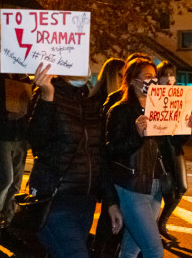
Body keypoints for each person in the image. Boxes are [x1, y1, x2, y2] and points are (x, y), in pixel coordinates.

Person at [27, 63, 123, 258]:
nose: (83, 66)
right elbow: (36, 141)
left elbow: (98, 155)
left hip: (85, 202)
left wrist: (111, 202)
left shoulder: (91, 103)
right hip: (54, 199)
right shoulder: (48, 95)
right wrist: (47, 96)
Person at [106, 58, 192, 258]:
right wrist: (136, 136)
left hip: (155, 186)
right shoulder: (120, 110)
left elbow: (172, 143)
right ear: (132, 80)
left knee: (131, 249)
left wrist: (186, 129)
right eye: (148, 77)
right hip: (133, 186)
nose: (153, 81)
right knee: (154, 250)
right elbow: (111, 150)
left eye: (155, 77)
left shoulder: (159, 107)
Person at [0, 66, 30, 237]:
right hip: (3, 135)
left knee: (16, 183)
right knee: (6, 179)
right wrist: (6, 116)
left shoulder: (24, 77)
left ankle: (8, 219)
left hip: (20, 136)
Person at [90, 57, 126, 258]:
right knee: (108, 212)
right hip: (100, 166)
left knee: (110, 213)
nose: (123, 79)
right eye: (120, 75)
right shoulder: (102, 102)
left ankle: (102, 249)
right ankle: (99, 249)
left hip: (113, 166)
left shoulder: (122, 101)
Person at [155, 61, 192, 242]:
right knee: (163, 191)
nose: (169, 79)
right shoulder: (152, 98)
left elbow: (180, 135)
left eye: (172, 75)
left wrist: (189, 129)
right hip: (159, 151)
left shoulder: (180, 98)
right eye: (165, 75)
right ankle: (155, 229)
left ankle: (161, 223)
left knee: (182, 188)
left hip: (175, 149)